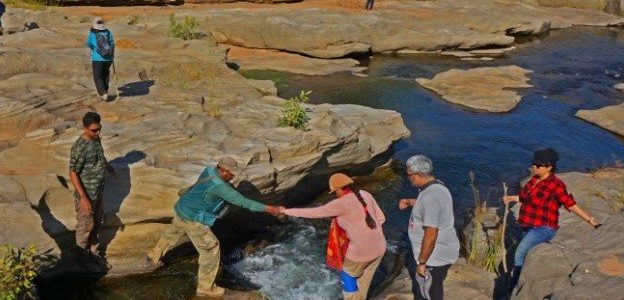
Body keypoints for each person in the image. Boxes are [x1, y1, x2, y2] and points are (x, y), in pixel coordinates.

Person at [147, 157, 282, 297]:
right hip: (193, 219)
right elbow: (243, 202)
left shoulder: (209, 170)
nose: (233, 175)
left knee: (173, 232)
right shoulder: (220, 188)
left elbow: (221, 187)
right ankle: (205, 288)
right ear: (222, 170)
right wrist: (269, 208)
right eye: (231, 173)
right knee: (211, 250)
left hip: (182, 207)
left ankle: (155, 254)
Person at [501, 148, 601, 292]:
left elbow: (570, 204)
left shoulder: (556, 185)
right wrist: (510, 198)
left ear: (549, 167)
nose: (534, 166)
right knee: (528, 255)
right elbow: (524, 198)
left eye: (538, 165)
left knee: (520, 253)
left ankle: (513, 287)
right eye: (534, 163)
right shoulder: (533, 180)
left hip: (544, 227)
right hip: (528, 225)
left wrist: (591, 220)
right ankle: (523, 281)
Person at [283, 173, 387, 300]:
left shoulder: (340, 204)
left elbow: (313, 212)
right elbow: (381, 219)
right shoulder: (365, 194)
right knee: (363, 282)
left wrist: (286, 211)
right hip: (381, 247)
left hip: (360, 253)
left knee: (348, 276)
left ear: (339, 189)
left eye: (334, 192)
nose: (334, 195)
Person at [398, 155, 458, 300]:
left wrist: (422, 262)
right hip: (440, 252)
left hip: (434, 257)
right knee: (432, 287)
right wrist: (412, 202)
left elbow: (431, 235)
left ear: (418, 175)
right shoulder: (436, 186)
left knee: (429, 291)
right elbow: (433, 207)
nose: (407, 177)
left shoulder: (430, 197)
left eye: (409, 174)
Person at [68, 111, 114, 267]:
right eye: (94, 130)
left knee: (96, 222)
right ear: (85, 128)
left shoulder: (96, 138)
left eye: (99, 128)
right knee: (85, 226)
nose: (98, 132)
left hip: (98, 191)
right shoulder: (80, 147)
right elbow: (73, 172)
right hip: (86, 194)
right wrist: (83, 198)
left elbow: (100, 155)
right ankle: (81, 258)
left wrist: (107, 166)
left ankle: (94, 254)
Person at [86, 17, 115, 101]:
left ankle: (103, 93)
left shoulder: (92, 34)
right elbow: (112, 43)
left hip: (97, 59)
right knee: (105, 74)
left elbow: (88, 44)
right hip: (108, 58)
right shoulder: (108, 32)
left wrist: (93, 48)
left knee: (98, 76)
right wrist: (112, 54)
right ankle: (105, 90)